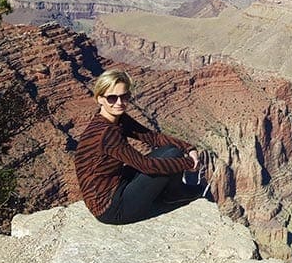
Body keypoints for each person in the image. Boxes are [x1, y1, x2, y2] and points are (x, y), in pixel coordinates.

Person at [74, 69, 206, 224]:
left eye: (124, 96)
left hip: (117, 185)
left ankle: (172, 193)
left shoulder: (117, 119)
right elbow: (146, 166)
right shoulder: (107, 133)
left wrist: (188, 148)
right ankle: (173, 195)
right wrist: (189, 163)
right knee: (173, 157)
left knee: (173, 150)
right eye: (112, 98)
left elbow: (152, 137)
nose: (119, 102)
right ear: (100, 99)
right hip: (112, 209)